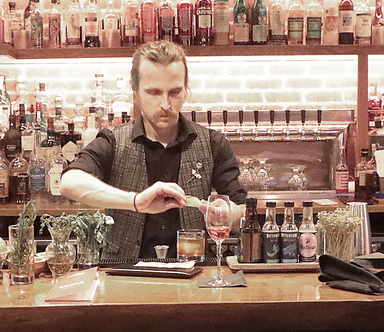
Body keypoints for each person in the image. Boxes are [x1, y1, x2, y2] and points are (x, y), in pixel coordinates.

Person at [59, 40, 247, 261]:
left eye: (175, 92)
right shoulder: (113, 141)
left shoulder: (212, 143)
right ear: (135, 91)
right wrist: (136, 201)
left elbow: (243, 209)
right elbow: (69, 183)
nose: (166, 104)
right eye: (154, 92)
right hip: (124, 277)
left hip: (194, 279)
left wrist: (225, 213)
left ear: (186, 89)